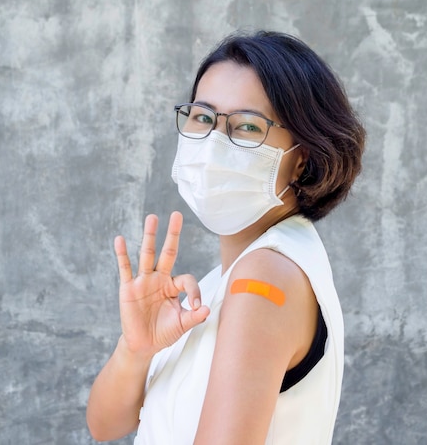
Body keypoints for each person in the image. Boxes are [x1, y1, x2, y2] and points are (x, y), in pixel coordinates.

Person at [86, 31, 366, 444]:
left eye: (247, 127)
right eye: (203, 117)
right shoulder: (225, 279)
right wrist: (137, 348)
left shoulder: (265, 277)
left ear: (302, 157)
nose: (214, 144)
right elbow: (105, 426)